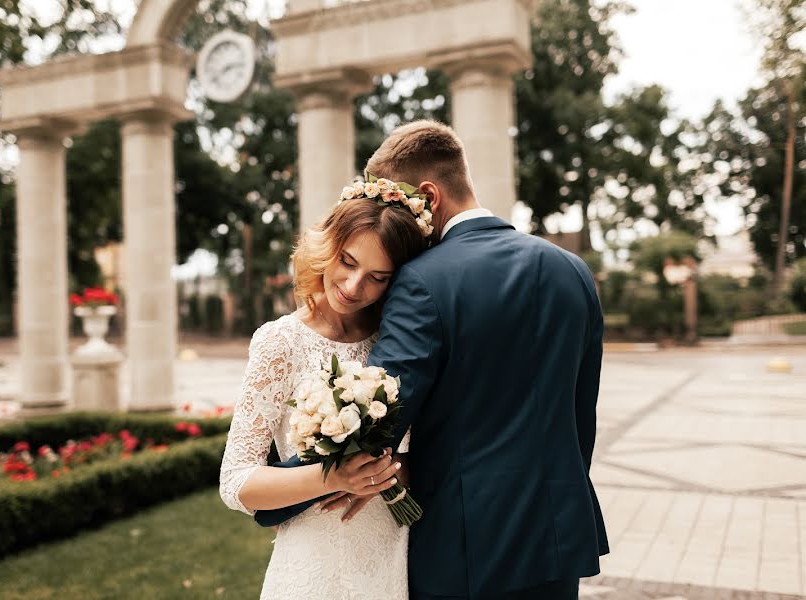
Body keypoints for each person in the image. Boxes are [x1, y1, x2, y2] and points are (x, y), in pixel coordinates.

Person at [256, 120, 609, 600]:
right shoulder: (572, 271)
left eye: (396, 202)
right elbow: (580, 416)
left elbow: (377, 411)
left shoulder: (423, 281)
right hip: (558, 534)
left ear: (429, 194)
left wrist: (276, 499)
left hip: (465, 546)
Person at [219, 191, 429, 599]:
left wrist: (392, 472)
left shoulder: (397, 344)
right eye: (348, 262)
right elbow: (236, 482)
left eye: (378, 277)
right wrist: (333, 475)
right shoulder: (279, 342)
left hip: (389, 554)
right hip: (313, 562)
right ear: (327, 246)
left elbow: (418, 454)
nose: (354, 286)